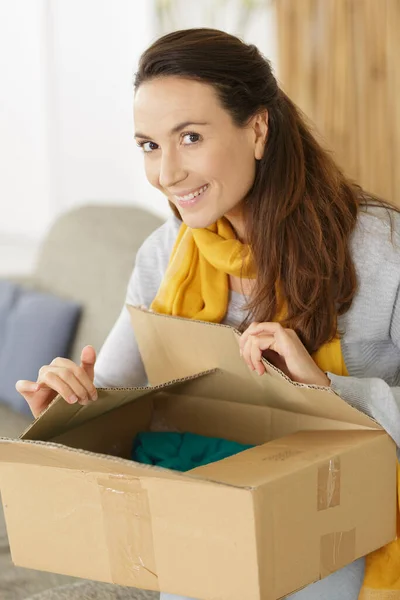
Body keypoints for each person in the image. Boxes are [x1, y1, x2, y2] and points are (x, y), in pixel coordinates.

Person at [16, 28, 400, 600]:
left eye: (190, 137)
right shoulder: (164, 256)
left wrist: (323, 389)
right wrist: (67, 412)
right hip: (211, 519)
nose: (166, 173)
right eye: (148, 145)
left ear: (258, 129)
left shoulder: (378, 249)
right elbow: (120, 399)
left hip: (342, 518)